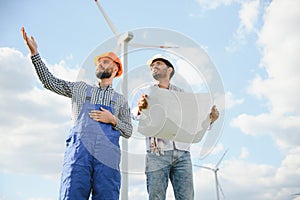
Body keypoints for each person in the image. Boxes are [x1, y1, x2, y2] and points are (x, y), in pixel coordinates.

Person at [21, 27, 132, 200]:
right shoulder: (80, 88)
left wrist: (113, 120)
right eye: (99, 62)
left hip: (107, 158)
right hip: (79, 154)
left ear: (116, 69)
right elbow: (50, 82)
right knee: (72, 194)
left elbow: (128, 131)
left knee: (107, 196)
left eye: (105, 62)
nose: (100, 64)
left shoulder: (120, 100)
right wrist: (35, 54)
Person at [135, 55, 219, 200]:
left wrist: (211, 119)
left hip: (182, 154)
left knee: (186, 197)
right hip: (157, 153)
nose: (154, 67)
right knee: (156, 196)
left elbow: (194, 120)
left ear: (169, 70)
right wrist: (141, 109)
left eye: (158, 64)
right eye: (152, 66)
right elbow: (135, 115)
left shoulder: (183, 95)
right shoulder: (145, 92)